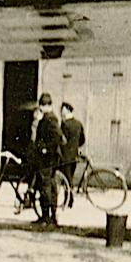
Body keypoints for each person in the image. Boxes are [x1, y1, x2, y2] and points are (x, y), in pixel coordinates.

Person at [32, 93, 64, 226]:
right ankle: (48, 216)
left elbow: (57, 137)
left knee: (46, 187)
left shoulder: (51, 119)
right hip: (47, 159)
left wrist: (45, 149)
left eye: (41, 106)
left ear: (45, 106)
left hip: (47, 159)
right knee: (47, 186)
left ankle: (48, 217)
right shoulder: (47, 118)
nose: (40, 109)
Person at [59, 102, 85, 207]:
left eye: (62, 109)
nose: (61, 112)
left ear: (67, 110)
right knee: (70, 178)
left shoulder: (65, 124)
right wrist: (75, 147)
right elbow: (82, 140)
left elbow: (61, 140)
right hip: (74, 156)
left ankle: (68, 200)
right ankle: (69, 200)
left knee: (66, 179)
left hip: (65, 156)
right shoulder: (78, 123)